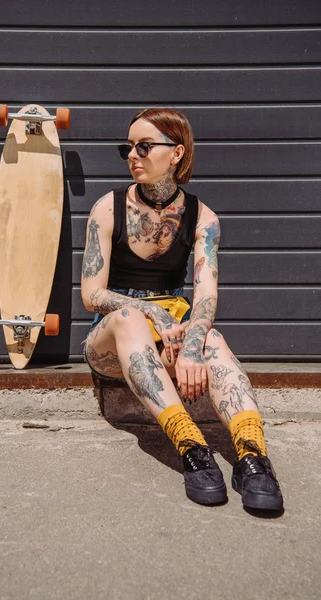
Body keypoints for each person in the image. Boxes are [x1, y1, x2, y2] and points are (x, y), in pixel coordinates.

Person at [81, 107, 283, 511]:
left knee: (213, 338)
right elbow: (91, 295)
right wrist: (153, 313)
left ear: (176, 152)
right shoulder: (108, 208)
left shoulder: (203, 218)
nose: (132, 155)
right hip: (114, 343)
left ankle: (253, 458)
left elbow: (205, 296)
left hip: (171, 336)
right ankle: (192, 447)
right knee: (127, 316)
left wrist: (192, 346)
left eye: (144, 146)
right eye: (127, 147)